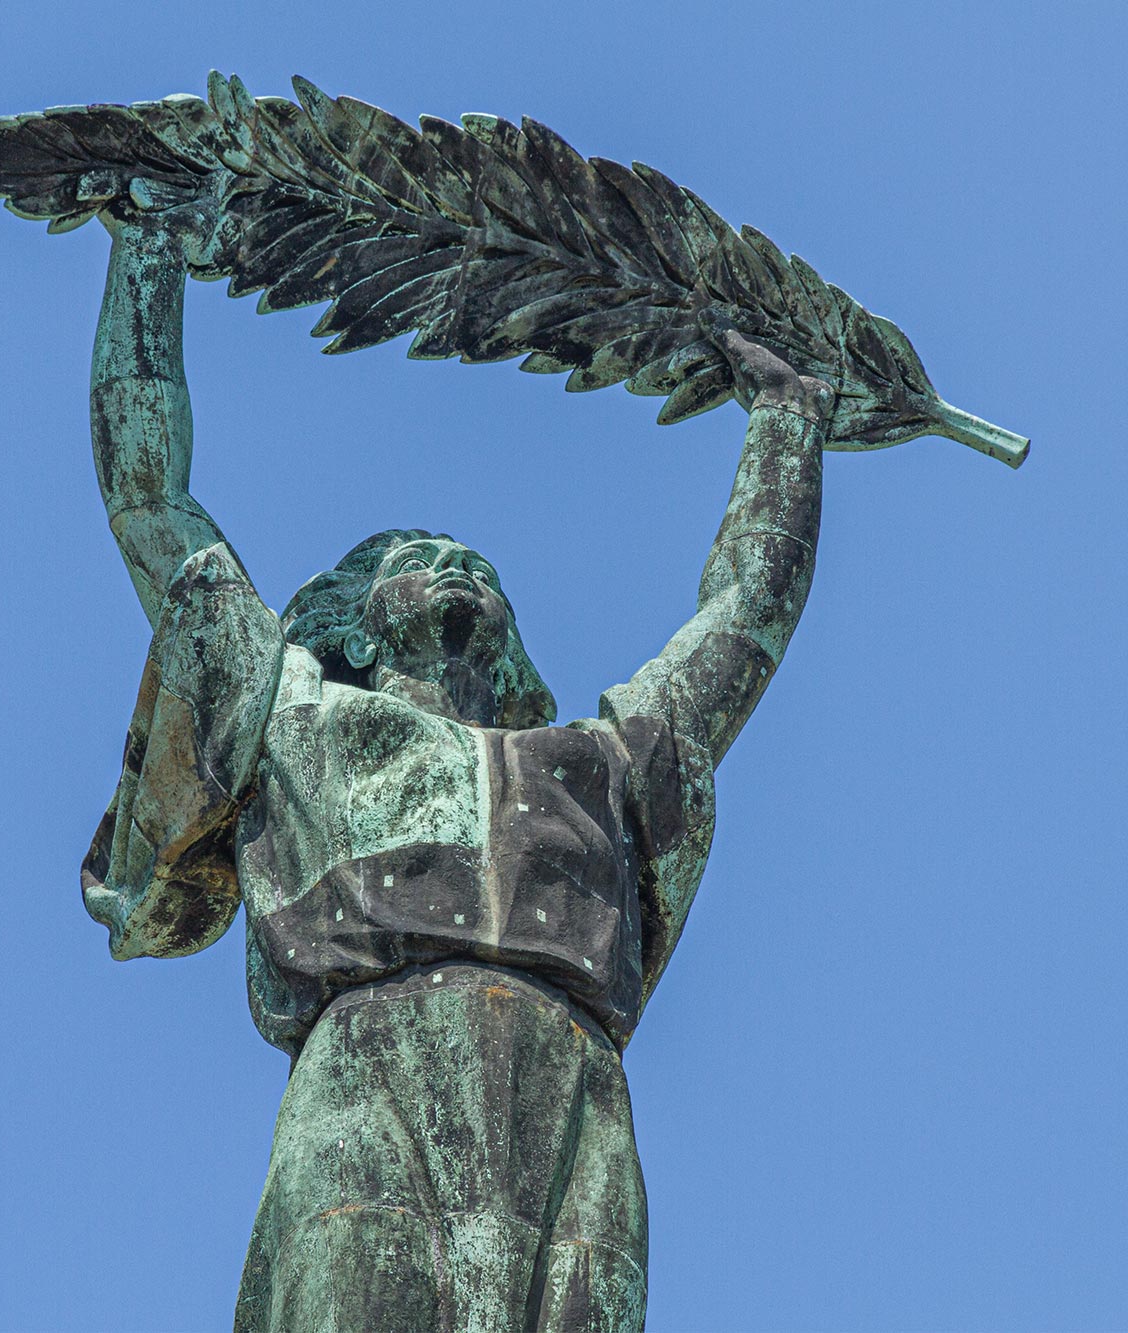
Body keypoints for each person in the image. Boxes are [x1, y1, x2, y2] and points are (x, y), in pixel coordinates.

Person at [78, 182, 833, 1331]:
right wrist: (147, 249)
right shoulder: (292, 710)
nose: (458, 564)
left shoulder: (595, 759)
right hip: (369, 1075)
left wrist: (783, 422)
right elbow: (152, 501)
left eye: (477, 559)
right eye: (419, 553)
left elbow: (737, 626)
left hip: (573, 1096)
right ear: (348, 618)